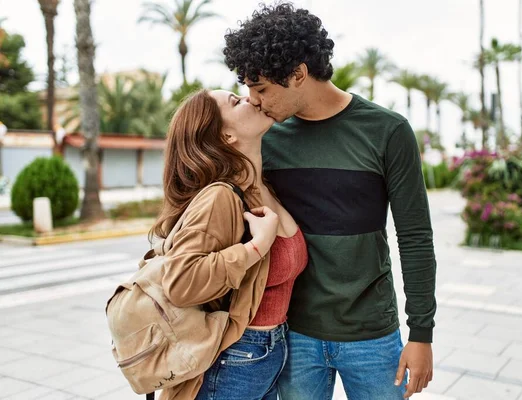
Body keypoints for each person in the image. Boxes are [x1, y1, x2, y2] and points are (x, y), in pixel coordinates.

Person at [223, 4, 437, 399]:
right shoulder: (265, 139)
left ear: (299, 74)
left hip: (371, 335)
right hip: (293, 336)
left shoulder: (388, 131)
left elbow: (416, 237)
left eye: (262, 88)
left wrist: (421, 334)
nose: (253, 101)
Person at [151, 89, 308, 400]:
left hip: (266, 354)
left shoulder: (260, 187)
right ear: (226, 137)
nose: (251, 98)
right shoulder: (220, 198)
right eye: (236, 102)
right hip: (234, 359)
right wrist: (254, 248)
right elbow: (180, 282)